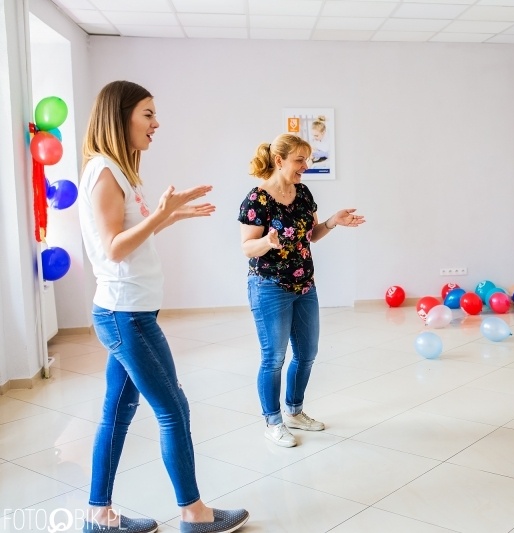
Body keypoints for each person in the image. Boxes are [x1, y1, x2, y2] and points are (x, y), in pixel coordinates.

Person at [78, 80, 248, 533]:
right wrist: (158, 215)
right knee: (174, 408)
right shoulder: (104, 172)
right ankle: (194, 514)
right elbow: (113, 249)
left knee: (117, 412)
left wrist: (169, 215)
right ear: (122, 116)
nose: (157, 124)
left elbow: (127, 241)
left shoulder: (121, 169)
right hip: (124, 315)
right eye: (148, 114)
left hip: (130, 312)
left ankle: (100, 517)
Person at [239, 134, 364, 448]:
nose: (305, 167)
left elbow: (312, 235)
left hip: (305, 286)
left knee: (307, 354)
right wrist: (266, 242)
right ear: (279, 160)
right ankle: (273, 421)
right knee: (274, 358)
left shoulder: (304, 193)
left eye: (306, 160)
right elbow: (246, 248)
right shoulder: (257, 199)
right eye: (299, 160)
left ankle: (295, 412)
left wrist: (334, 221)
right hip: (269, 287)